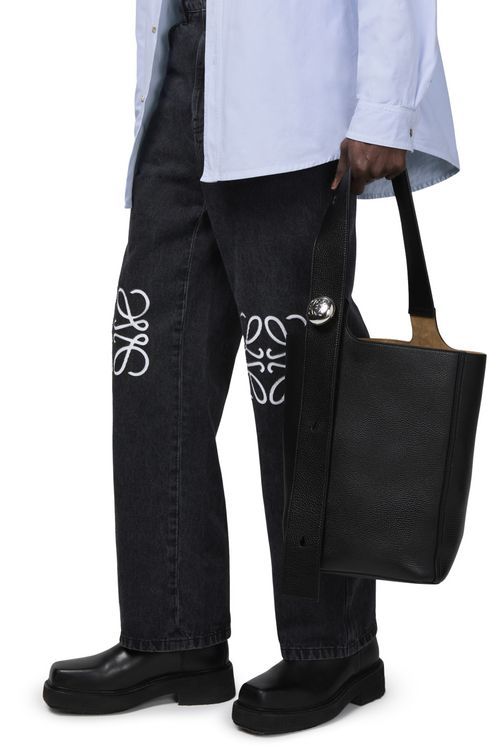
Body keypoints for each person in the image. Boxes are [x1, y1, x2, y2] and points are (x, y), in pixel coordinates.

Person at [42, 0, 459, 734]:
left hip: (294, 101)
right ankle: (174, 635)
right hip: (181, 71)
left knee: (297, 381)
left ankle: (333, 646)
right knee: (150, 369)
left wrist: (387, 107)